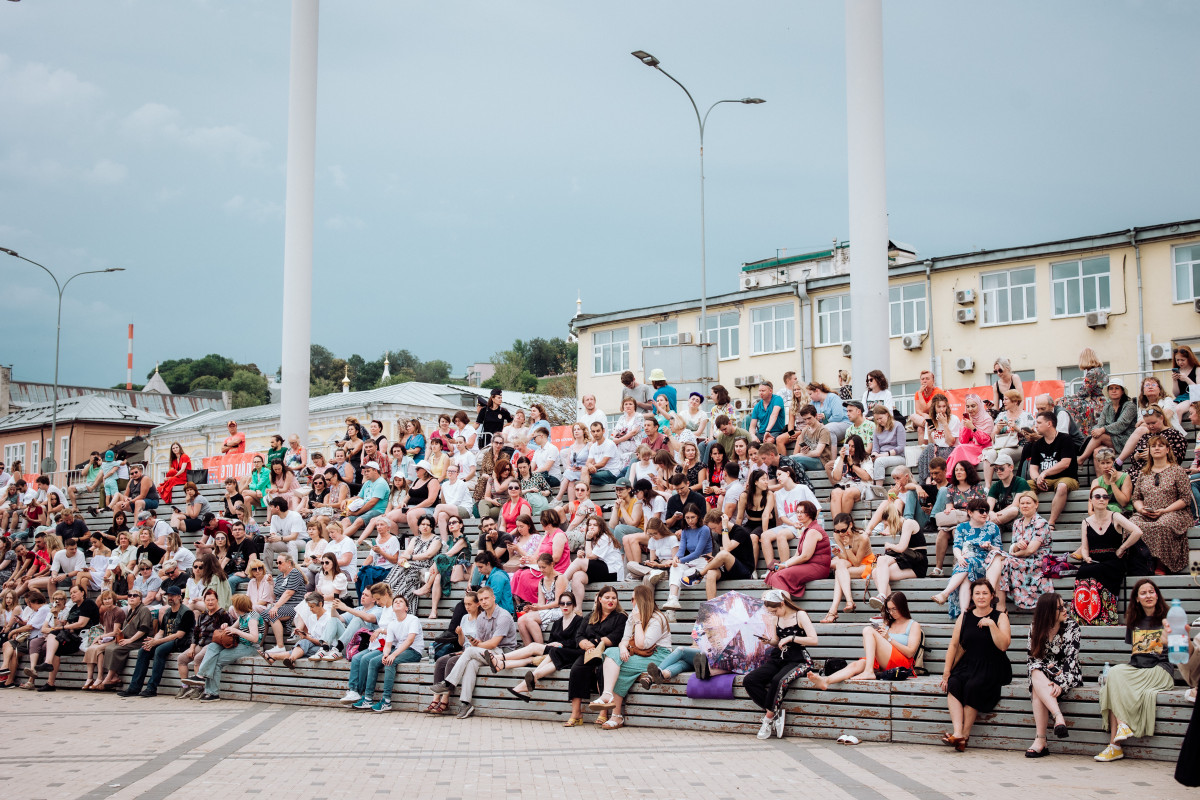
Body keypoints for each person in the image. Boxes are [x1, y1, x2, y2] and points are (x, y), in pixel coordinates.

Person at [1095, 579, 1177, 762]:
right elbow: (1137, 653)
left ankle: (1115, 746)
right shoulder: (1134, 619)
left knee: (1112, 685)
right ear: (1137, 599)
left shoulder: (1169, 617)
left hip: (1160, 669)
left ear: (1157, 594)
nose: (1148, 596)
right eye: (1143, 593)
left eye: (1151, 591)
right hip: (1138, 669)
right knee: (1114, 674)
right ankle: (1121, 729)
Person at [939, 579, 1012, 752]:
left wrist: (992, 625)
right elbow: (954, 645)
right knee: (954, 683)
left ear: (992, 596)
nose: (981, 597)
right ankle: (958, 733)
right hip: (969, 663)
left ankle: (964, 735)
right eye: (977, 593)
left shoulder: (1000, 616)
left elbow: (1003, 645)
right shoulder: (964, 617)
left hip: (993, 664)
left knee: (974, 685)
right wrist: (946, 672)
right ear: (972, 596)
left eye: (985, 593)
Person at [587, 584, 672, 730]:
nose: (632, 602)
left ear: (642, 600)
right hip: (640, 654)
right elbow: (624, 640)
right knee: (613, 654)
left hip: (659, 656)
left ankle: (615, 713)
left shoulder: (657, 618)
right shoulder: (632, 615)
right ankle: (608, 698)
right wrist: (621, 649)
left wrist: (638, 621)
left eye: (634, 599)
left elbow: (642, 644)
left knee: (616, 666)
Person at [428, 585, 520, 719]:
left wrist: (477, 645)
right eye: (481, 599)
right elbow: (482, 641)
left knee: (470, 651)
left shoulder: (503, 616)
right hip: (487, 653)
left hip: (504, 653)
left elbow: (494, 643)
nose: (484, 602)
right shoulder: (481, 617)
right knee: (471, 663)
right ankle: (466, 703)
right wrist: (476, 643)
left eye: (486, 598)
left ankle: (448, 683)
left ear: (494, 598)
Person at [744, 589, 819, 740]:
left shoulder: (800, 615)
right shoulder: (775, 618)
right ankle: (776, 711)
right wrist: (769, 641)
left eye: (775, 610)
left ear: (782, 604)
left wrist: (792, 638)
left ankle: (767, 719)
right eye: (771, 611)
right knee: (750, 680)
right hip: (779, 657)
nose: (773, 613)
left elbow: (814, 640)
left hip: (799, 659)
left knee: (778, 681)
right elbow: (777, 641)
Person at [809, 591, 922, 686]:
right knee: (855, 665)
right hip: (883, 661)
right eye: (889, 609)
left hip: (902, 663)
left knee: (868, 630)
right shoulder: (888, 623)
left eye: (894, 609)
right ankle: (826, 681)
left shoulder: (913, 625)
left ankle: (869, 671)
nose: (891, 613)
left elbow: (910, 653)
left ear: (902, 607)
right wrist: (881, 635)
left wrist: (888, 639)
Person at [1074, 484, 1144, 626]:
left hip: (1113, 561)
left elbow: (1137, 532)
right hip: (1094, 560)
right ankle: (1083, 617)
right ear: (1091, 500)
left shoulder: (1115, 516)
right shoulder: (1086, 522)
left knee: (1095, 571)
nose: (1102, 499)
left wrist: (1122, 548)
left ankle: (1104, 617)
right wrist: (1086, 557)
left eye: (1105, 497)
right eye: (1098, 496)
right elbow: (1085, 547)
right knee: (1083, 571)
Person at [1024, 592, 1081, 757]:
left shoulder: (1072, 626)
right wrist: (1048, 670)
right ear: (1048, 611)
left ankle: (1040, 740)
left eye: (1065, 605)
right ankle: (1058, 717)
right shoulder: (1036, 626)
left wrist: (1060, 684)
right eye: (1060, 608)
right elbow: (1032, 658)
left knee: (1037, 688)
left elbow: (1071, 661)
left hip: (1067, 674)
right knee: (1035, 670)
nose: (1065, 610)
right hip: (1042, 672)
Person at [503, 592, 583, 701]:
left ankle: (526, 680)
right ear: (559, 605)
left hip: (572, 653)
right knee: (551, 652)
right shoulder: (557, 622)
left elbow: (578, 641)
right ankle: (527, 682)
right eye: (562, 603)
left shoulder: (579, 621)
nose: (565, 606)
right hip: (557, 652)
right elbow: (551, 640)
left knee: (545, 651)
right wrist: (553, 644)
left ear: (573, 605)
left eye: (568, 603)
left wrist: (562, 644)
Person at [1129, 435, 1192, 574]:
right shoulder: (1143, 473)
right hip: (1147, 513)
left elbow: (1185, 499)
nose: (1157, 448)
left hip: (1174, 512)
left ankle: (1161, 563)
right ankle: (1139, 563)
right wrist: (1141, 509)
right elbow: (1136, 498)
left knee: (1161, 525)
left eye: (1160, 445)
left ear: (1167, 449)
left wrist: (1164, 510)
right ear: (1149, 450)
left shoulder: (1177, 471)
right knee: (1131, 524)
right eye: (1153, 446)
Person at [119, 584, 195, 698]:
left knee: (159, 650)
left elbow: (180, 634)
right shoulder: (167, 612)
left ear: (180, 596)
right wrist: (153, 640)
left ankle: (151, 688)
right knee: (144, 649)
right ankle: (134, 687)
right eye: (168, 595)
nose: (170, 598)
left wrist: (157, 642)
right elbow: (161, 631)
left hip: (181, 641)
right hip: (167, 639)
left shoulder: (186, 612)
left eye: (173, 595)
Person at [931, 498, 1001, 619]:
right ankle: (964, 613)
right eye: (981, 511)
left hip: (986, 563)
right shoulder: (961, 527)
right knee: (965, 573)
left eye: (986, 511)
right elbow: (957, 547)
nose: (985, 514)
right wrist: (959, 557)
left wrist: (990, 546)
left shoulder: (993, 527)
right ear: (970, 512)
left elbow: (999, 550)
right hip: (966, 561)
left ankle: (945, 593)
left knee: (966, 564)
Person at [984, 491, 1053, 612]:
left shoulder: (1041, 523)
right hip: (1019, 559)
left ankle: (999, 604)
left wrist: (1012, 554)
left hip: (1037, 562)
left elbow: (1030, 550)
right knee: (994, 554)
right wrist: (1016, 546)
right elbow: (1013, 547)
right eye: (1022, 503)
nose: (1025, 506)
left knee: (1004, 562)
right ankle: (991, 592)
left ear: (1036, 504)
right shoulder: (1017, 523)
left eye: (1028, 503)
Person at [187, 593, 262, 702]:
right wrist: (226, 627)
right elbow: (232, 628)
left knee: (216, 660)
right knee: (213, 646)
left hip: (250, 647)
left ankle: (213, 693)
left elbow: (254, 638)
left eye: (234, 605)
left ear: (239, 606)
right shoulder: (242, 615)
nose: (233, 607)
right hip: (239, 644)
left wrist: (237, 631)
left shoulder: (252, 618)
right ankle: (201, 676)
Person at [1025, 410, 1080, 529]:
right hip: (1045, 480)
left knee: (1062, 486)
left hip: (1067, 478)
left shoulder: (1065, 439)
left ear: (1049, 424)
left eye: (1039, 423)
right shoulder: (1038, 444)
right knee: (1024, 486)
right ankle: (1032, 521)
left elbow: (1065, 463)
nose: (1036, 426)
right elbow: (1033, 468)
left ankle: (1051, 522)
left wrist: (1044, 473)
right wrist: (1036, 479)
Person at [819, 514, 872, 623]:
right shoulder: (837, 535)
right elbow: (845, 558)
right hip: (850, 563)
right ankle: (848, 602)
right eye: (837, 531)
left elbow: (857, 562)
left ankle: (833, 611)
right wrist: (838, 554)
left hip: (866, 564)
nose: (840, 534)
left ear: (850, 525)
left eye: (843, 530)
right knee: (840, 567)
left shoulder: (863, 537)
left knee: (839, 572)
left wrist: (847, 547)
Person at [563, 515, 623, 607]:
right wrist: (581, 554)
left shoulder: (604, 537)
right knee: (577, 576)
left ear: (601, 527)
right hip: (602, 569)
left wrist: (587, 540)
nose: (591, 527)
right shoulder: (594, 539)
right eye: (589, 524)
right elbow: (589, 557)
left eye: (595, 525)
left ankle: (561, 583)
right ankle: (577, 609)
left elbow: (591, 557)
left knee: (579, 562)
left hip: (613, 572)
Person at [662, 504, 712, 611]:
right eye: (687, 518)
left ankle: (670, 611)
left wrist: (679, 560)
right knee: (675, 568)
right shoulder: (685, 531)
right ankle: (673, 600)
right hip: (690, 562)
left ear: (698, 516)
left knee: (679, 576)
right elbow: (681, 550)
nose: (690, 520)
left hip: (703, 561)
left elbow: (697, 552)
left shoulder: (704, 529)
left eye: (692, 517)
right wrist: (676, 558)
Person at [386, 515, 442, 611]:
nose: (425, 527)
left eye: (428, 525)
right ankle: (389, 592)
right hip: (412, 565)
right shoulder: (415, 539)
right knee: (400, 567)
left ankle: (400, 603)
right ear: (419, 526)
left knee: (409, 573)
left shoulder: (436, 539)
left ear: (432, 527)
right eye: (422, 524)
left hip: (427, 567)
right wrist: (402, 559)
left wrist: (410, 557)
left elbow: (428, 555)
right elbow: (407, 552)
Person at [982, 389, 1035, 488]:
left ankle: (1006, 485)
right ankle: (987, 487)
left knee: (1003, 454)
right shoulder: (1001, 415)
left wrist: (1017, 428)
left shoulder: (1026, 416)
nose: (1004, 402)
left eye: (1006, 399)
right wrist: (997, 429)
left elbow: (1031, 437)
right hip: (1001, 445)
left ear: (1015, 401)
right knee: (989, 454)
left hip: (1019, 446)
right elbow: (992, 437)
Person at [1079, 377, 1138, 465]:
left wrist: (1102, 430)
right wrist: (1095, 430)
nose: (1114, 391)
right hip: (1110, 439)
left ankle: (1081, 460)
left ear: (1122, 391)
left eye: (1117, 388)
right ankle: (1101, 478)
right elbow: (1100, 424)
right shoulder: (1108, 406)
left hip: (1126, 440)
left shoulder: (1130, 406)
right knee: (1097, 451)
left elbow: (1121, 424)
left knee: (1100, 436)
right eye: (1111, 388)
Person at [79, 590, 126, 689]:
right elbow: (105, 631)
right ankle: (90, 677)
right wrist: (102, 639)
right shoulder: (105, 613)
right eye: (105, 599)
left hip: (115, 639)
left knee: (97, 649)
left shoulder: (118, 611)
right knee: (92, 648)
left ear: (113, 599)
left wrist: (100, 637)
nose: (107, 601)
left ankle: (100, 677)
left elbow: (115, 632)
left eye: (109, 598)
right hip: (107, 639)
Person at [1059, 347, 1108, 434]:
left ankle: (1072, 431)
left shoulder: (1092, 373)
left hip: (1096, 404)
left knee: (1065, 402)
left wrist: (1063, 398)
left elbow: (1083, 393)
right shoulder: (1101, 370)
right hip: (1102, 402)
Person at [945, 394, 993, 477]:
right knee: (957, 450)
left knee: (959, 449)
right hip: (970, 447)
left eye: (973, 406)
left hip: (982, 448)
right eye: (968, 406)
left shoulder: (987, 419)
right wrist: (967, 427)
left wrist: (973, 427)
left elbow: (985, 440)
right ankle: (949, 476)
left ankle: (949, 476)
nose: (970, 409)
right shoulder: (966, 420)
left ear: (979, 406)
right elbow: (963, 441)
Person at [828, 435, 873, 517]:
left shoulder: (866, 458)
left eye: (853, 446)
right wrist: (841, 459)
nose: (850, 449)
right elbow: (836, 478)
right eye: (848, 446)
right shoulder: (839, 459)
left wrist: (851, 464)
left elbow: (866, 477)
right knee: (835, 492)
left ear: (858, 447)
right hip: (844, 486)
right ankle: (838, 526)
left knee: (849, 492)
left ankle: (843, 524)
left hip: (861, 486)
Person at [917, 394, 958, 481]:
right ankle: (928, 478)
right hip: (936, 450)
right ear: (934, 407)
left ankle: (929, 479)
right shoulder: (930, 420)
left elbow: (950, 442)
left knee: (929, 451)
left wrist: (944, 424)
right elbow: (932, 444)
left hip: (950, 449)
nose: (942, 410)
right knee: (922, 456)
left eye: (944, 406)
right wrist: (929, 434)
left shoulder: (954, 419)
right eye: (939, 407)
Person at [986, 453, 1029, 529]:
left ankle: (984, 525)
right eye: (996, 469)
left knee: (1013, 510)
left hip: (1019, 519)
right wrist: (991, 513)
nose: (998, 471)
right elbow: (988, 507)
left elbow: (1015, 505)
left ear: (1011, 468)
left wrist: (994, 515)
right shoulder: (995, 486)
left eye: (1001, 468)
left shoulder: (1021, 482)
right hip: (1000, 520)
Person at [908, 370, 943, 444]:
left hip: (937, 418)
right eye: (922, 379)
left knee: (921, 427)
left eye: (927, 379)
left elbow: (925, 408)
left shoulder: (937, 391)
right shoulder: (917, 393)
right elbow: (917, 410)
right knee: (913, 417)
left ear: (933, 381)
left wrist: (920, 393)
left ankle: (928, 424)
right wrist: (925, 415)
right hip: (926, 419)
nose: (924, 381)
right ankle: (923, 452)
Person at [1172, 345, 1199, 425]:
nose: (1180, 362)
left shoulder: (1197, 369)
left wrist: (1187, 379)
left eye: (1182, 360)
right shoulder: (1177, 371)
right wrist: (1175, 380)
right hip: (1180, 398)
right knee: (1168, 409)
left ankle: (1176, 435)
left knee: (1178, 410)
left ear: (1189, 358)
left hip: (1192, 398)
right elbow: (1176, 394)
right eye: (1177, 360)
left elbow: (1198, 391)